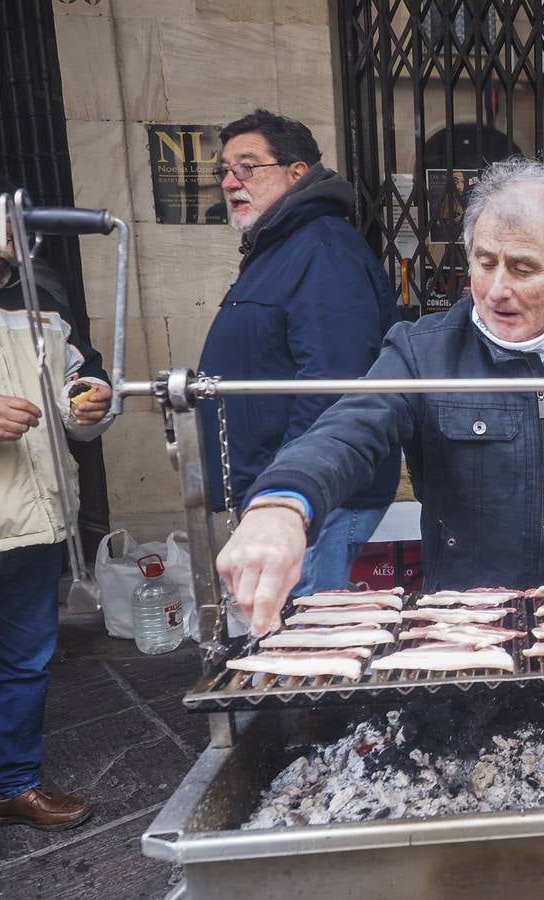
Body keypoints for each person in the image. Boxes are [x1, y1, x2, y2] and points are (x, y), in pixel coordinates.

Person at [215, 157, 544, 635]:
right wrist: (281, 504)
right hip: (464, 625)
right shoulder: (422, 351)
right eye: (485, 262)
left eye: (523, 268)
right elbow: (349, 430)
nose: (496, 289)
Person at [198, 109, 400, 598]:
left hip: (314, 501)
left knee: (300, 649)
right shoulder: (279, 247)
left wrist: (289, 487)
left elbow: (332, 383)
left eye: (247, 166)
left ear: (296, 174)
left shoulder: (324, 249)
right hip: (275, 492)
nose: (231, 181)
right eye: (224, 170)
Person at [0, 171, 116, 895]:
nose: (0, 250)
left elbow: (78, 388)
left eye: (8, 235)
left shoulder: (42, 305)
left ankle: (7, 785)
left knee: (24, 666)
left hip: (29, 523)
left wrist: (88, 404)